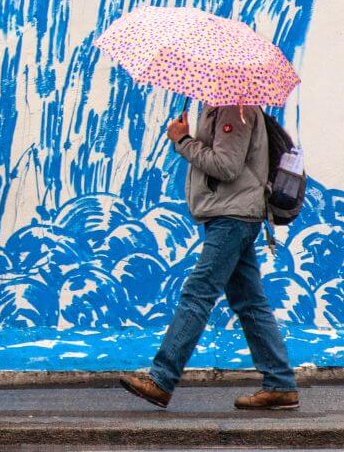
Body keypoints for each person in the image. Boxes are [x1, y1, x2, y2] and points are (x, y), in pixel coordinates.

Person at [121, 105, 299, 411]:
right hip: (231, 215)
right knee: (250, 303)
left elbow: (227, 166)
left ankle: (161, 379)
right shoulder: (219, 110)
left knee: (198, 293)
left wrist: (183, 142)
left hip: (232, 218)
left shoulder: (234, 111)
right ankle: (280, 383)